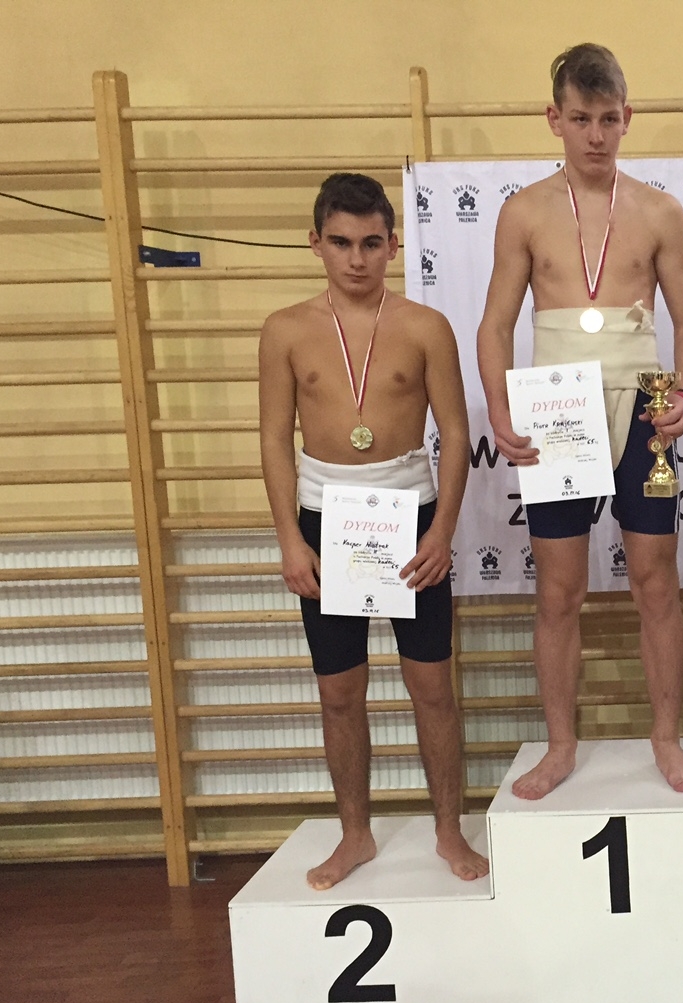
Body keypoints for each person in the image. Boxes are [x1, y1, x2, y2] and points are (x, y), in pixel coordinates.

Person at [477, 43, 683, 801]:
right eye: (581, 119)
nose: (596, 135)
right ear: (555, 119)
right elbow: (494, 324)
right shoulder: (524, 212)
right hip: (556, 406)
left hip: (644, 403)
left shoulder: (659, 212)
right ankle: (560, 745)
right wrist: (500, 404)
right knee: (558, 590)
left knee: (655, 581)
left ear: (627, 117)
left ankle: (665, 737)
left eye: (608, 119)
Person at [259, 173, 484, 889]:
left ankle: (448, 829)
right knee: (339, 691)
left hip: (410, 516)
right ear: (315, 243)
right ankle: (355, 834)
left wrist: (442, 531)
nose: (356, 258)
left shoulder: (425, 327)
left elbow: (456, 431)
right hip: (324, 519)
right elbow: (274, 440)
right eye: (341, 243)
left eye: (370, 243)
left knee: (432, 685)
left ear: (393, 245)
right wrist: (290, 540)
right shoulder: (285, 330)